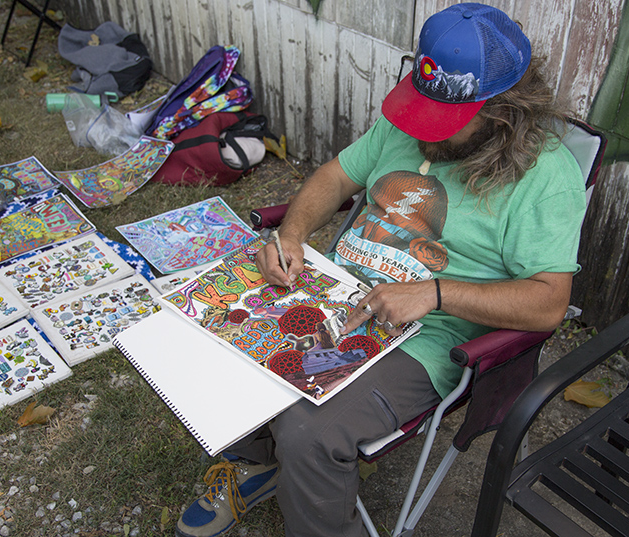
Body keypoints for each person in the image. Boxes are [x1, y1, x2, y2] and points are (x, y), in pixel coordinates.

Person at [175, 3, 587, 537]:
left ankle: (292, 465)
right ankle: (258, 464)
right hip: (336, 291)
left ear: (500, 113)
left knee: (309, 434)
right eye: (422, 110)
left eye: (444, 123)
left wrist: (435, 293)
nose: (425, 134)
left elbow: (550, 301)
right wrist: (291, 234)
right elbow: (334, 177)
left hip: (427, 335)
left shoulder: (546, 176)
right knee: (215, 333)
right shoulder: (409, 125)